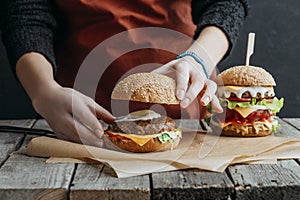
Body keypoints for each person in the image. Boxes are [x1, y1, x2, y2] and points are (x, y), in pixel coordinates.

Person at [1, 0, 249, 147]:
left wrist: (199, 59)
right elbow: (26, 15)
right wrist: (43, 90)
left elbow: (225, 3)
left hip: (188, 106)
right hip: (80, 112)